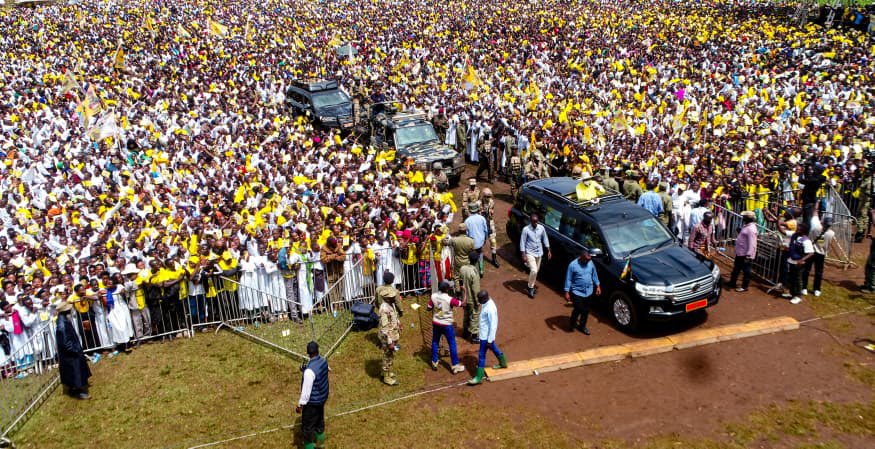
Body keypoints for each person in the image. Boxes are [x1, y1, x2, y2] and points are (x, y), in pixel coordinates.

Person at [467, 290, 507, 386]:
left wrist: (490, 339)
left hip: (486, 337)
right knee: (494, 348)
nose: (478, 300)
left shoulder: (490, 308)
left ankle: (479, 377)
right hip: (485, 335)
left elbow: (493, 325)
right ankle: (503, 363)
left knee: (481, 355)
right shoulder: (486, 304)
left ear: (484, 299)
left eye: (479, 299)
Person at [426, 281, 466, 374]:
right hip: (447, 324)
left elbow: (428, 308)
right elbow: (463, 304)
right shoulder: (450, 299)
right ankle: (455, 366)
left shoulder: (433, 296)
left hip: (436, 322)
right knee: (452, 343)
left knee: (435, 341)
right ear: (447, 289)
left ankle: (434, 361)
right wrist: (465, 291)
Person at [55, 300, 92, 400]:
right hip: (70, 352)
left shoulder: (63, 320)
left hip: (71, 350)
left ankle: (73, 388)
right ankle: (78, 391)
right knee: (75, 371)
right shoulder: (62, 324)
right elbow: (65, 341)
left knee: (75, 370)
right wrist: (74, 350)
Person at [296, 341, 329, 449]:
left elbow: (306, 393)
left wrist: (300, 405)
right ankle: (321, 445)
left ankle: (310, 445)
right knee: (319, 422)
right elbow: (319, 371)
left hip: (312, 403)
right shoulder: (324, 361)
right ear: (317, 350)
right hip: (322, 398)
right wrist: (306, 369)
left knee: (307, 429)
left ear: (308, 353)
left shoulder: (309, 372)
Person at [563, 249, 601, 335]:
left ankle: (582, 326)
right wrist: (566, 292)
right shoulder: (572, 265)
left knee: (586, 310)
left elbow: (594, 274)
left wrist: (598, 286)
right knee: (579, 308)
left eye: (589, 259)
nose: (588, 261)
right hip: (577, 292)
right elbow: (568, 279)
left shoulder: (590, 262)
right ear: (581, 257)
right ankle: (572, 324)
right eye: (586, 260)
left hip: (589, 291)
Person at [519, 213, 551, 299]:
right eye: (533, 221)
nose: (535, 223)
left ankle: (531, 284)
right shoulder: (526, 229)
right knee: (534, 270)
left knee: (536, 270)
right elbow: (522, 242)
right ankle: (530, 288)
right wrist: (523, 254)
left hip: (539, 253)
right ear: (530, 221)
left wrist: (548, 250)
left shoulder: (541, 228)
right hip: (530, 252)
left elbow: (545, 238)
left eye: (536, 221)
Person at [727, 211, 758, 293]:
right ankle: (732, 282)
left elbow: (752, 243)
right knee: (736, 268)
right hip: (740, 252)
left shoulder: (751, 229)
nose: (742, 218)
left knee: (746, 270)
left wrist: (748, 255)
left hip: (745, 254)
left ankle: (745, 286)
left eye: (744, 217)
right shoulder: (747, 226)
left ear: (748, 218)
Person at [377, 283, 401, 386]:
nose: (394, 297)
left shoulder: (391, 305)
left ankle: (386, 371)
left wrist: (399, 324)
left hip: (393, 333)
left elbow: (393, 316)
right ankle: (386, 378)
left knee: (390, 355)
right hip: (388, 336)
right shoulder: (384, 309)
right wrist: (390, 341)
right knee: (387, 355)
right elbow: (384, 328)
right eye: (392, 296)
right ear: (387, 298)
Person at [785, 223, 814, 305]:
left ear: (804, 231)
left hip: (799, 263)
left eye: (799, 229)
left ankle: (798, 296)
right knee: (791, 277)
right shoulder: (794, 236)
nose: (797, 229)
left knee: (798, 279)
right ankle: (792, 293)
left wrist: (802, 260)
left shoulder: (806, 241)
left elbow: (811, 253)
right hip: (791, 260)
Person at [803, 214, 832, 297]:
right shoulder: (831, 233)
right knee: (818, 272)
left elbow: (810, 239)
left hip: (811, 252)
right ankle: (817, 289)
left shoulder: (815, 229)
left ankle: (804, 287)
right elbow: (823, 244)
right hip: (821, 253)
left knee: (807, 270)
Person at [459, 251, 481, 343]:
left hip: (464, 297)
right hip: (472, 298)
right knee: (475, 315)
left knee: (466, 314)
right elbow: (475, 289)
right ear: (476, 261)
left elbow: (460, 282)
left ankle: (465, 332)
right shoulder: (474, 272)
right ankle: (474, 336)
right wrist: (478, 301)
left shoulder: (462, 268)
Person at [447, 223, 475, 293]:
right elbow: (472, 251)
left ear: (459, 231)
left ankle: (458, 290)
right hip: (467, 261)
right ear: (466, 231)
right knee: (466, 275)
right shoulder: (471, 240)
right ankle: (466, 290)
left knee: (456, 277)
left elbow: (446, 243)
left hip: (457, 261)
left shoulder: (454, 240)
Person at [464, 202, 489, 276]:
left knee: (472, 257)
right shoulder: (482, 218)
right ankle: (481, 269)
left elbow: (467, 233)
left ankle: (474, 271)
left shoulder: (467, 221)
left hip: (471, 243)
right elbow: (486, 230)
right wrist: (485, 239)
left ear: (470, 210)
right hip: (480, 241)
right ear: (477, 210)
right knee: (480, 253)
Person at [480, 188, 500, 268]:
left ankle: (494, 258)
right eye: (487, 197)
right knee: (481, 242)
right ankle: (479, 260)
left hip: (489, 222)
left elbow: (491, 213)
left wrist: (490, 213)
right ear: (483, 196)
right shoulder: (478, 203)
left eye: (489, 196)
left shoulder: (491, 202)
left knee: (493, 240)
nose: (488, 198)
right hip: (481, 224)